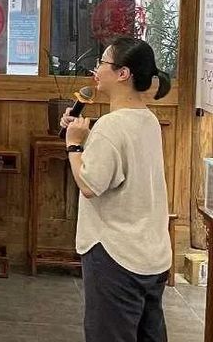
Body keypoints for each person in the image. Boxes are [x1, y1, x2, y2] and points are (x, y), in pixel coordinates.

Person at [61, 37, 172, 342]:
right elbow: (118, 159)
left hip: (115, 254)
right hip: (151, 252)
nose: (96, 70)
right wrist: (83, 134)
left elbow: (89, 185)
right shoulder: (148, 119)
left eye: (103, 63)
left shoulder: (111, 127)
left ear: (123, 73)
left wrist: (74, 145)